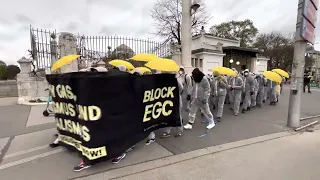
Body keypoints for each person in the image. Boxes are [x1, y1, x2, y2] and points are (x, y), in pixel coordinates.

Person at [161, 71, 184, 138]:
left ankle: (179, 130)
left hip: (176, 100)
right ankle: (167, 131)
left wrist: (176, 93)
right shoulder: (163, 81)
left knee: (177, 115)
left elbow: (181, 88)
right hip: (168, 100)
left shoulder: (175, 80)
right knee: (168, 115)